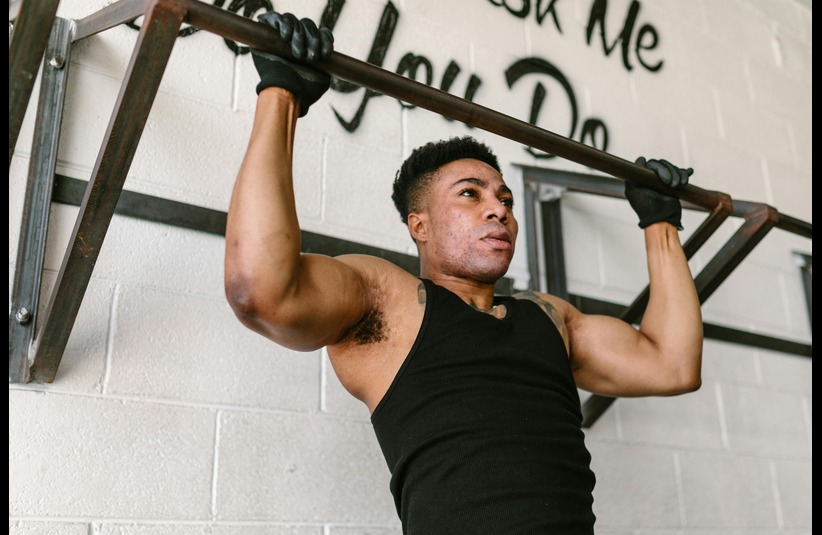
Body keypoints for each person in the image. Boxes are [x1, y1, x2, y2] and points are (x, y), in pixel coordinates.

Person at [225, 11, 703, 535]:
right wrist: (281, 92)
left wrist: (660, 221)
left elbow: (672, 363)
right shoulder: (387, 300)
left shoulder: (550, 318)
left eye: (504, 198)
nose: (498, 210)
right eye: (470, 195)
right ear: (419, 225)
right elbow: (260, 290)